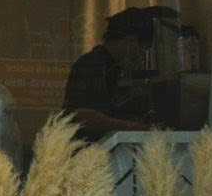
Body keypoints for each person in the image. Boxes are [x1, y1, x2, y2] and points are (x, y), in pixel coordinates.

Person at [63, 7, 158, 141]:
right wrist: (142, 129)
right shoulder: (93, 65)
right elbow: (86, 117)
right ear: (130, 41)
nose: (140, 57)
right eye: (142, 51)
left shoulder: (108, 66)